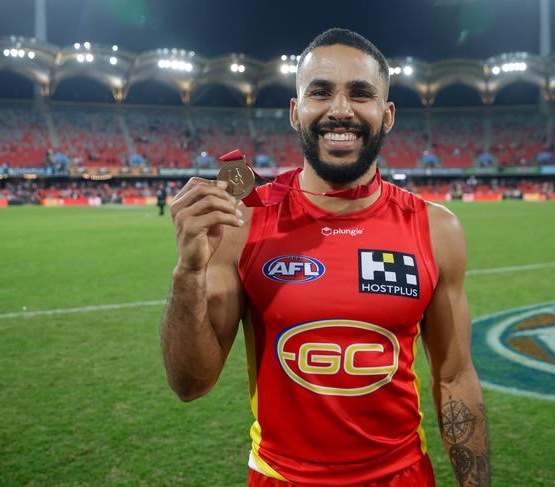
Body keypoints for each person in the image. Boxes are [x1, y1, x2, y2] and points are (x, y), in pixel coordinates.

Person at [161, 28, 490, 487]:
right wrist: (188, 271)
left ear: (387, 114)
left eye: (361, 93)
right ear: (296, 113)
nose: (340, 109)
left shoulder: (436, 229)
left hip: (403, 477)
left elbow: (455, 378)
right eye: (320, 92)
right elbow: (190, 384)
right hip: (282, 477)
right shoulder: (243, 225)